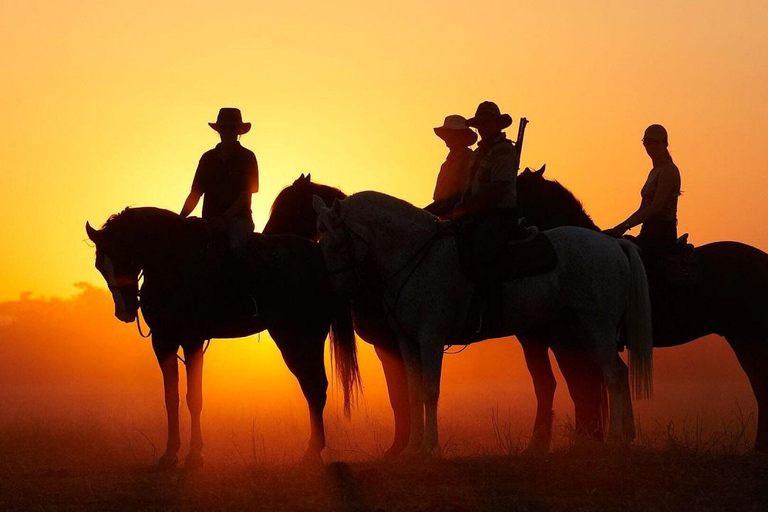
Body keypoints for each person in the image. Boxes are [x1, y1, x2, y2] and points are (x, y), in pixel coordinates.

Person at [455, 101, 520, 334]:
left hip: (498, 215)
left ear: (497, 124)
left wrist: (469, 206)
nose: (483, 127)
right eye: (480, 124)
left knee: (483, 252)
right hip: (476, 214)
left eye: (487, 123)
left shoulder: (503, 150)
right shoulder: (480, 153)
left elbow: (499, 190)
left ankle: (490, 313)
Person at [180, 107, 259, 257]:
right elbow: (195, 194)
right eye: (224, 128)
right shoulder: (207, 158)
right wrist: (180, 219)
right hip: (208, 221)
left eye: (231, 128)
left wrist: (224, 219)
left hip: (239, 221)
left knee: (235, 249)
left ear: (237, 132)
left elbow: (245, 196)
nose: (227, 132)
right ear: (219, 131)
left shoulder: (247, 158)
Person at [604, 124, 681, 272]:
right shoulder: (654, 171)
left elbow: (657, 206)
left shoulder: (669, 170)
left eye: (655, 142)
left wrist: (623, 227)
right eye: (647, 142)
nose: (651, 146)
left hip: (662, 234)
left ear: (665, 143)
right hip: (647, 231)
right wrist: (619, 227)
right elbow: (643, 209)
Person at [425, 115, 476, 218]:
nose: (448, 138)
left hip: (457, 213)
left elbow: (464, 193)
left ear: (462, 136)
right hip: (441, 210)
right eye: (447, 135)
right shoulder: (446, 164)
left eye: (452, 135)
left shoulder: (469, 158)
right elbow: (438, 199)